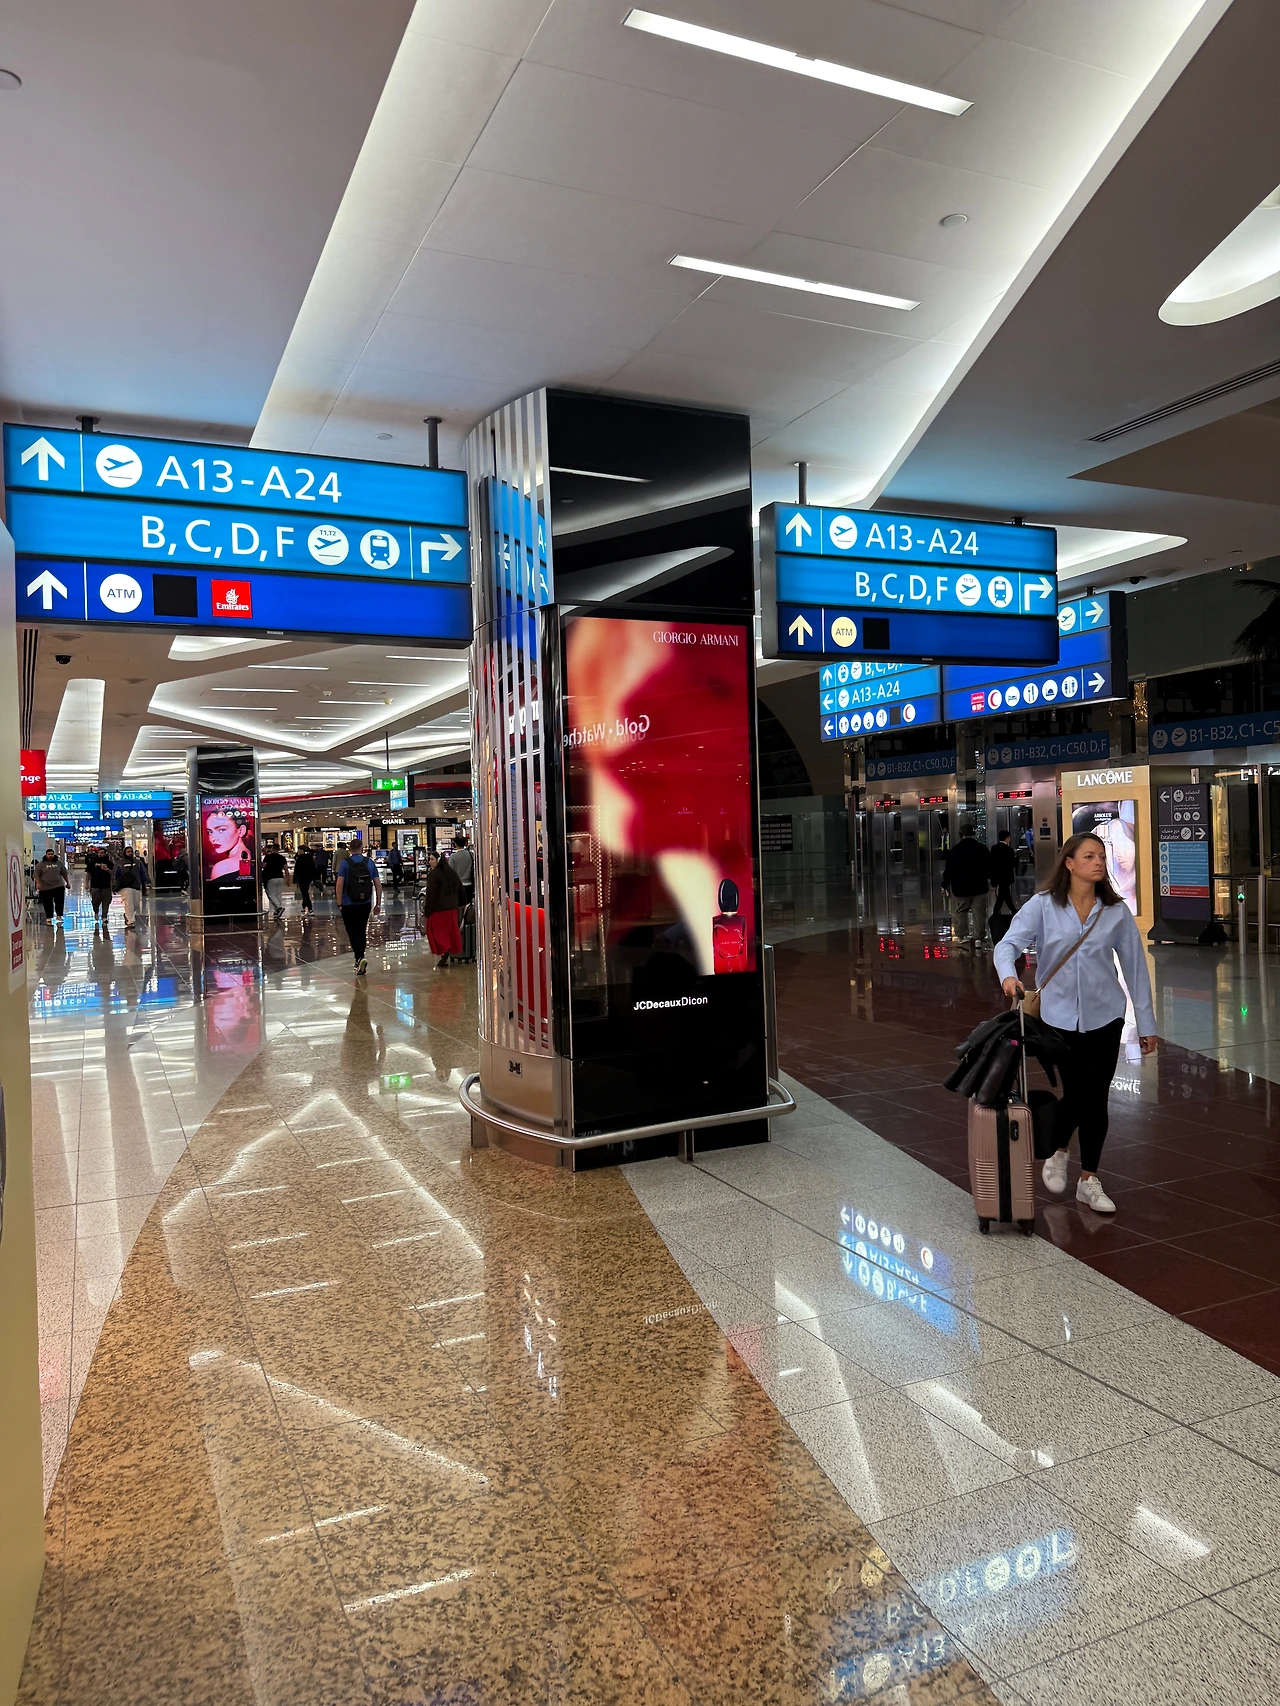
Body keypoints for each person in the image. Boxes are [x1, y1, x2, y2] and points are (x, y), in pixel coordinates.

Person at [995, 831, 1158, 1216]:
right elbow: (1007, 944)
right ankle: (1059, 1149)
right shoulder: (1043, 906)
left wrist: (1146, 1024)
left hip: (1106, 1016)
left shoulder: (1115, 912)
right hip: (1058, 1017)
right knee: (1079, 1092)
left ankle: (1087, 1178)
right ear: (1069, 863)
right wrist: (1008, 975)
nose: (1099, 862)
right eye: (1089, 856)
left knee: (1095, 1096)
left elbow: (1135, 969)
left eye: (1101, 856)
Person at [941, 824, 991, 950]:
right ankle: (979, 937)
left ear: (961, 834)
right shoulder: (982, 849)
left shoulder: (955, 850)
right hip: (979, 886)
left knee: (961, 911)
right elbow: (989, 867)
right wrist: (994, 882)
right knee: (979, 913)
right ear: (974, 834)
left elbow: (949, 870)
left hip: (961, 887)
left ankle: (962, 936)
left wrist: (944, 884)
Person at [336, 842, 380, 975]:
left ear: (350, 849)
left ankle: (359, 958)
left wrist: (339, 903)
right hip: (365, 903)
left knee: (352, 931)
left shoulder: (345, 863)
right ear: (362, 848)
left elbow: (339, 884)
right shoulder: (369, 863)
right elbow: (378, 884)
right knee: (361, 930)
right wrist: (378, 903)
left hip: (349, 903)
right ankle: (360, 958)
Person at [421, 850, 463, 968]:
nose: (430, 862)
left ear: (438, 860)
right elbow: (460, 888)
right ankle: (445, 956)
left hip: (439, 910)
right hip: (451, 909)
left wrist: (428, 910)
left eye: (432, 859)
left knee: (438, 934)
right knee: (449, 934)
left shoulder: (433, 874)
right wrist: (460, 903)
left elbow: (431, 894)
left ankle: (444, 956)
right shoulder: (451, 872)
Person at [112, 849, 146, 932]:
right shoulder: (120, 863)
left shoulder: (138, 862)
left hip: (136, 885)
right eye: (128, 852)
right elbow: (115, 875)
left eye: (131, 851)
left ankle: (127, 915)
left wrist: (147, 882)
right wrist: (113, 885)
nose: (130, 853)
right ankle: (130, 921)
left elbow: (142, 873)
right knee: (129, 902)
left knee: (136, 904)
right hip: (124, 886)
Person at [34, 848, 69, 924]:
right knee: (47, 903)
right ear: (46, 855)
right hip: (45, 887)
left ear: (54, 854)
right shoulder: (41, 864)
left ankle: (59, 915)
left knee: (59, 902)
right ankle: (49, 917)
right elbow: (36, 875)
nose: (50, 856)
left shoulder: (59, 863)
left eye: (52, 854)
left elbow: (64, 873)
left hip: (58, 886)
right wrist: (38, 884)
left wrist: (67, 882)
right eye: (49, 854)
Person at [989, 830, 1017, 920]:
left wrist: (993, 880)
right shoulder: (1009, 850)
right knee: (1004, 893)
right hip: (1006, 876)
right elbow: (1012, 864)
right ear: (1007, 838)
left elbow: (992, 864)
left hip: (997, 875)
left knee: (1004, 893)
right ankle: (1010, 910)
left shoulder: (994, 848)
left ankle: (1009, 909)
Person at [84, 845, 113, 927]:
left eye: (102, 853)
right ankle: (96, 911)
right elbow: (88, 873)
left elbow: (114, 873)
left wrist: (107, 870)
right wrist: (86, 883)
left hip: (106, 885)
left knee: (106, 902)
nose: (100, 854)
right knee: (95, 901)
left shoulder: (109, 863)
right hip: (95, 885)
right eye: (99, 853)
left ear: (105, 854)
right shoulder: (92, 862)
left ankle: (104, 917)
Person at [261, 846, 288, 921]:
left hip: (271, 877)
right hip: (280, 877)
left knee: (271, 894)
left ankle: (279, 908)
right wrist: (287, 879)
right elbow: (286, 869)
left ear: (272, 849)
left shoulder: (268, 857)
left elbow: (264, 866)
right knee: (278, 895)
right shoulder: (282, 858)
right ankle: (276, 912)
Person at [448, 833, 475, 909]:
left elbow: (450, 873)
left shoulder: (453, 857)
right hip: (469, 885)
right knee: (468, 907)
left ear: (455, 844)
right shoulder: (470, 855)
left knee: (459, 907)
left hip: (458, 886)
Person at [292, 844, 317, 914]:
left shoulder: (299, 858)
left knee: (304, 892)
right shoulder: (309, 857)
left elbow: (296, 869)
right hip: (308, 877)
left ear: (301, 850)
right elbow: (313, 867)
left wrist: (294, 878)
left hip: (301, 877)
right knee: (305, 892)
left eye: (299, 850)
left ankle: (310, 908)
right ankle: (304, 906)